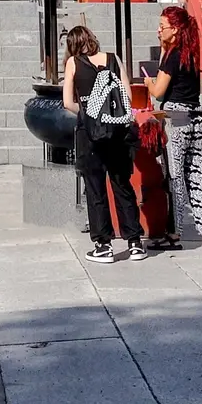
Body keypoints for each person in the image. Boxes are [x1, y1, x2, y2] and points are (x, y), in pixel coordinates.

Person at [62, 25, 146, 263]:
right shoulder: (113, 59)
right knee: (122, 184)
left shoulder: (73, 63)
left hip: (89, 134)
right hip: (117, 132)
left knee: (95, 188)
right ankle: (135, 243)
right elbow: (127, 97)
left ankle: (103, 245)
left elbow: (67, 102)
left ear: (72, 45)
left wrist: (89, 114)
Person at [144, 4, 202, 250]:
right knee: (199, 176)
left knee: (175, 178)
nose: (159, 31)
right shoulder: (191, 54)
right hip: (197, 119)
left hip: (176, 121)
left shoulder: (173, 55)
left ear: (174, 30)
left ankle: (174, 233)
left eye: (162, 26)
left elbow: (158, 91)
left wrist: (148, 82)